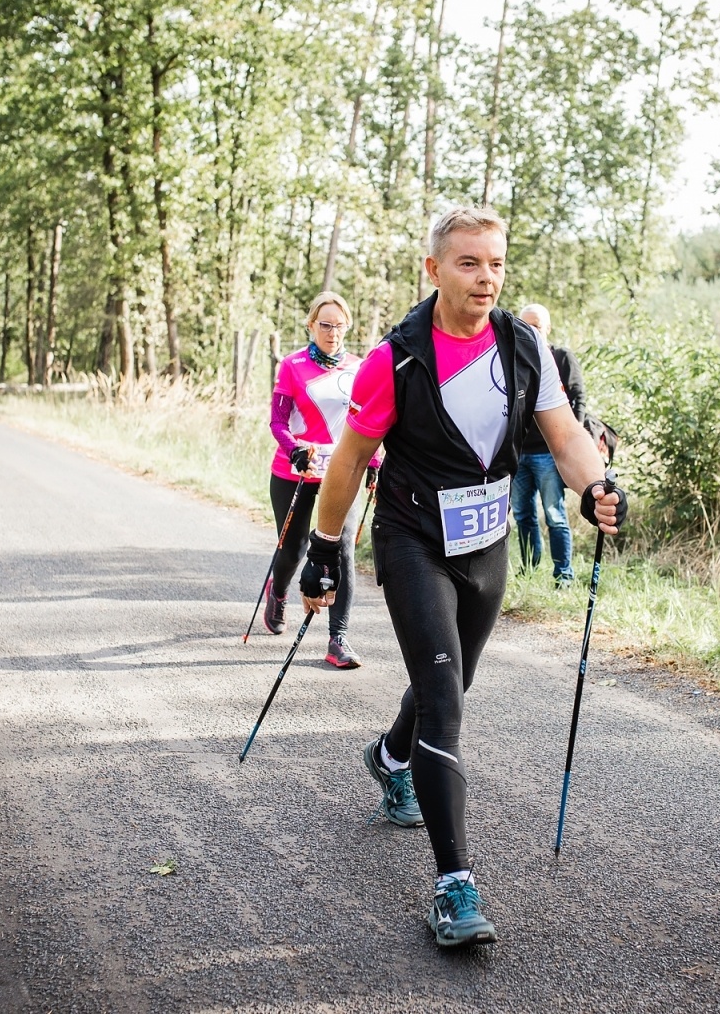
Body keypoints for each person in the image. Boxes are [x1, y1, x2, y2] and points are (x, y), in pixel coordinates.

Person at [297, 207, 625, 947]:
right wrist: (324, 547)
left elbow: (564, 436)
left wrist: (596, 488)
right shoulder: (397, 358)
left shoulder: (523, 346)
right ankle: (453, 885)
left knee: (456, 676)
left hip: (486, 542)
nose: (486, 278)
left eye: (497, 264)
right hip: (413, 537)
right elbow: (348, 461)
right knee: (445, 695)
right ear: (435, 269)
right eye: (470, 263)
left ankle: (389, 756)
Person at [262, 292, 382, 668]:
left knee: (342, 550)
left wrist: (375, 458)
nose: (333, 332)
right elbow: (278, 422)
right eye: (325, 325)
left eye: (339, 325)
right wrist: (294, 448)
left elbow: (368, 422)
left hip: (341, 472)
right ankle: (278, 591)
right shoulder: (292, 365)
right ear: (311, 325)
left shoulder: (359, 367)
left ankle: (338, 639)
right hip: (295, 470)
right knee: (294, 549)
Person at [512, 303, 586, 585]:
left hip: (549, 454)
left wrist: (569, 443)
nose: (531, 330)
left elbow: (578, 397)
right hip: (519, 454)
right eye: (525, 325)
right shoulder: (515, 358)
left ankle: (563, 575)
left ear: (548, 328)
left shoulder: (561, 356)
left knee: (554, 515)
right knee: (523, 516)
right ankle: (529, 570)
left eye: (537, 326)